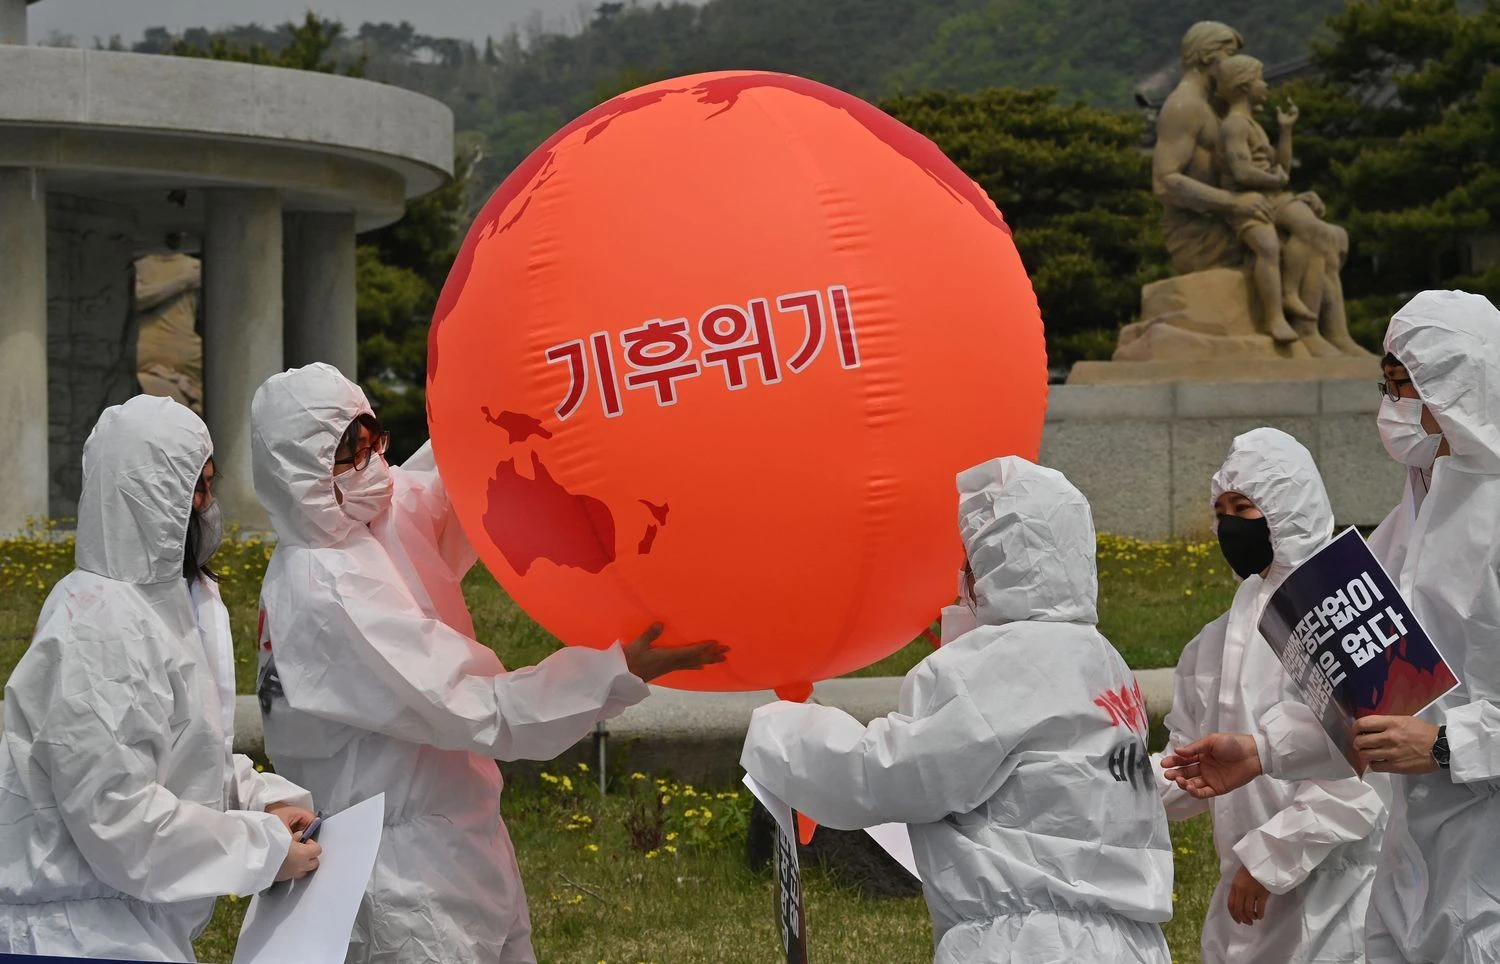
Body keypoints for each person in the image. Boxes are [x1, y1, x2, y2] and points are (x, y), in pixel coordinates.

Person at [249, 363, 726, 964]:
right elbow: (478, 705)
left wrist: (517, 405)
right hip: (403, 879)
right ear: (300, 473)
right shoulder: (326, 591)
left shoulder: (360, 524)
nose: (373, 462)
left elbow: (449, 486)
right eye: (350, 451)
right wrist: (614, 672)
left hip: (455, 839)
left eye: (372, 438)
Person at [1163, 290, 1500, 962]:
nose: (1392, 407)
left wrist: (1446, 745)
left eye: (1405, 386)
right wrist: (1263, 751)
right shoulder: (1414, 517)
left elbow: (1432, 729)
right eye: (1389, 384)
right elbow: (1370, 698)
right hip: (1419, 863)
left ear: (1464, 382)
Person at [741, 457, 1173, 963]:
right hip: (1129, 942)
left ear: (995, 562)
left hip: (1029, 944)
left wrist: (782, 732)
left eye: (971, 559)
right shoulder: (1101, 659)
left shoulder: (1002, 662)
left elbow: (889, 772)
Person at [0, 394, 320, 962]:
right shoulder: (96, 624)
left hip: (124, 928)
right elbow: (117, 817)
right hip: (71, 938)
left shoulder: (169, 605)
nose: (208, 506)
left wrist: (258, 802)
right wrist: (261, 849)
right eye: (197, 488)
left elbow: (189, 755)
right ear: (153, 497)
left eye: (208, 487)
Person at [1156, 428, 1386, 963]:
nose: (1230, 524)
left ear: (1289, 509)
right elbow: (1187, 762)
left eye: (1246, 508)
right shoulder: (1213, 641)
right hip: (1241, 899)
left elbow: (1372, 771)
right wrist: (1113, 785)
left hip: (1337, 892)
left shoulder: (1345, 619)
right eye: (1222, 509)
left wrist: (1270, 856)